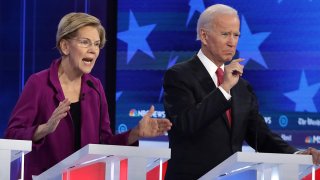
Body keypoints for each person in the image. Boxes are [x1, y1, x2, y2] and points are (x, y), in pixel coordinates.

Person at [4, 12, 172, 180]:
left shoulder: (95, 87)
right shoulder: (39, 84)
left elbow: (104, 144)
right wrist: (45, 128)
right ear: (65, 46)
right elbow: (12, 136)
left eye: (97, 44)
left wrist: (135, 133)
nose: (93, 50)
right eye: (85, 42)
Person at [163, 4, 320, 179]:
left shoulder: (242, 87)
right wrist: (224, 89)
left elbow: (259, 135)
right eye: (225, 34)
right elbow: (186, 125)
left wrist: (296, 155)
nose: (232, 42)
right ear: (204, 36)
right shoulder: (179, 75)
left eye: (236, 35)